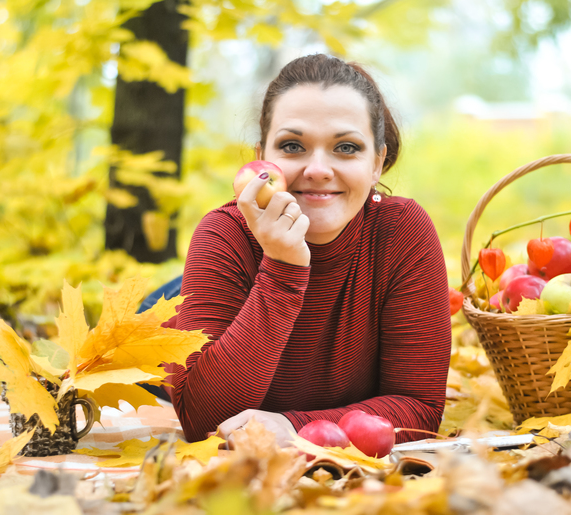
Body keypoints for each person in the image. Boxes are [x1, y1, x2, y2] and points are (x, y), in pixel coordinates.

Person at [171, 54, 452, 445]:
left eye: (347, 148)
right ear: (261, 158)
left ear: (378, 162)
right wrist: (283, 267)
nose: (318, 169)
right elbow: (203, 420)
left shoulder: (402, 232)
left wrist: (293, 426)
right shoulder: (224, 234)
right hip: (219, 298)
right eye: (292, 145)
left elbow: (419, 407)